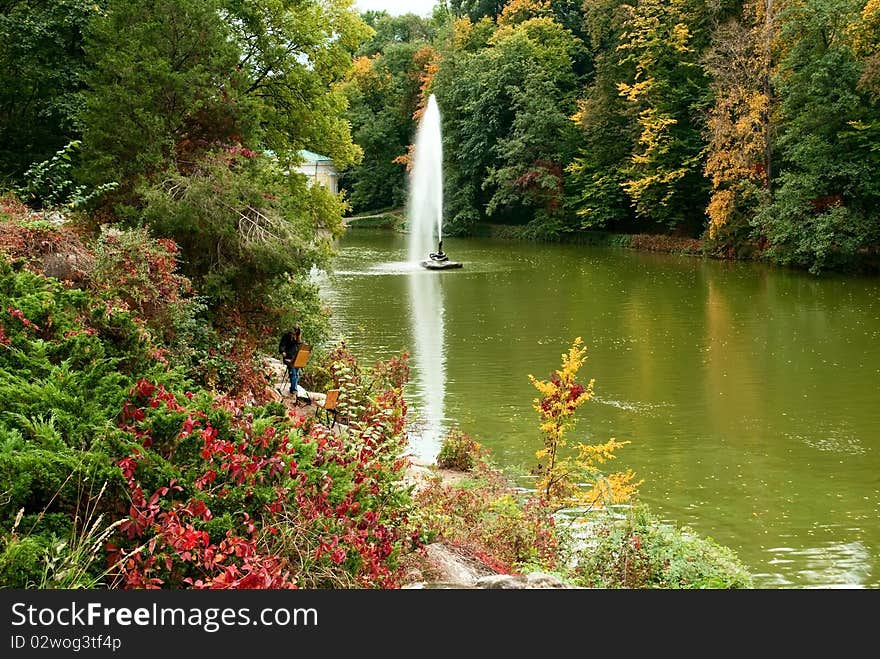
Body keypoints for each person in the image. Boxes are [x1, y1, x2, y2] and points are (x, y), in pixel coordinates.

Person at [278, 326, 303, 396]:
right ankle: (293, 389)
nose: (295, 332)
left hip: (296, 358)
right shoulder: (286, 336)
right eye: (295, 330)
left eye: (297, 331)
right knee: (293, 374)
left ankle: (293, 388)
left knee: (297, 374)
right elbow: (281, 345)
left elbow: (299, 346)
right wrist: (282, 352)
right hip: (289, 357)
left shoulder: (298, 337)